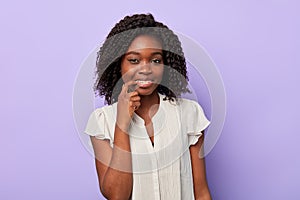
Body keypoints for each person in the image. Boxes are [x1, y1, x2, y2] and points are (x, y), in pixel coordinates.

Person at [85, 13, 211, 200]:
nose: (145, 69)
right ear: (117, 64)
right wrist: (122, 124)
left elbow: (201, 192)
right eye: (134, 60)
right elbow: (116, 196)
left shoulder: (189, 114)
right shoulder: (102, 122)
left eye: (156, 60)